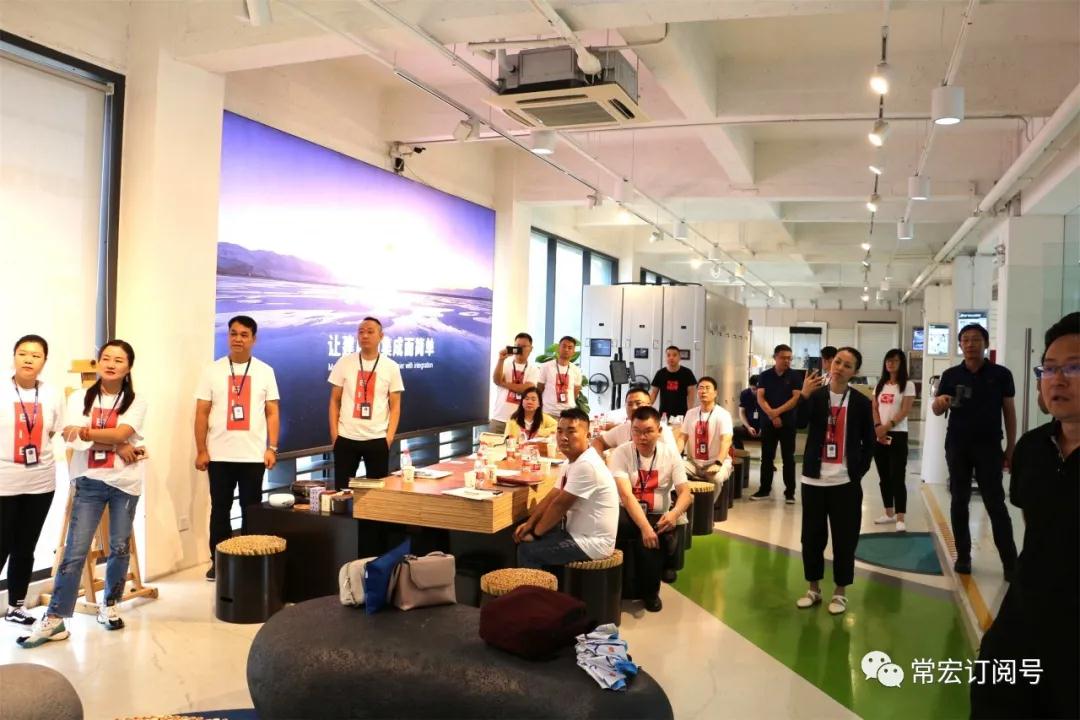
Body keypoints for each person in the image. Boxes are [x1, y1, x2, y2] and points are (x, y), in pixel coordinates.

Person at [972, 313, 1078, 719]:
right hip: (1025, 615)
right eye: (1049, 369)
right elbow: (1036, 527)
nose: (1057, 380)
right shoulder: (1033, 449)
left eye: (1074, 368)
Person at [18, 340, 148, 648]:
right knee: (75, 551)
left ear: (128, 367)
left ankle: (109, 604)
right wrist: (118, 445)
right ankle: (55, 619)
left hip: (125, 482)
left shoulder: (137, 401)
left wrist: (92, 433)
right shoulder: (78, 398)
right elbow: (71, 437)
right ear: (98, 362)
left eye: (118, 360)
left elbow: (117, 432)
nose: (111, 364)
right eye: (106, 358)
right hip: (89, 480)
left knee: (119, 547)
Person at [194, 315, 281, 581]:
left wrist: (272, 447)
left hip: (253, 455)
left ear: (254, 339)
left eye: (244, 335)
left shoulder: (265, 371)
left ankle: (249, 561)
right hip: (219, 454)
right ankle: (218, 562)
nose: (238, 339)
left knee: (250, 510)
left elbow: (272, 412)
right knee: (219, 510)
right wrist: (201, 450)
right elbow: (201, 412)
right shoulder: (212, 371)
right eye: (233, 333)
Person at [793, 347, 876, 616]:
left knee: (844, 539)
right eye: (837, 362)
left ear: (855, 372)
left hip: (845, 484)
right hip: (813, 481)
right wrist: (803, 395)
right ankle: (813, 588)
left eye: (847, 365)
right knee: (811, 538)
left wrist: (856, 473)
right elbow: (798, 423)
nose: (839, 368)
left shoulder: (861, 402)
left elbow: (869, 442)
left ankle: (840, 592)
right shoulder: (816, 396)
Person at [932, 323, 1017, 577]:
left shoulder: (1001, 374)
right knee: (959, 501)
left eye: (976, 339)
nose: (970, 344)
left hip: (989, 447)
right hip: (957, 445)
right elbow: (936, 410)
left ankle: (1011, 563)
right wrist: (940, 402)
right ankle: (964, 557)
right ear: (960, 344)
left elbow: (1009, 412)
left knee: (995, 503)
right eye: (966, 339)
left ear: (986, 343)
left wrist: (1011, 446)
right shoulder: (950, 375)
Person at [1, 335, 63, 625]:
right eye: (23, 353)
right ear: (13, 356)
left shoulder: (52, 394)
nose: (28, 359)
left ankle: (16, 606)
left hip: (40, 482)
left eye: (36, 355)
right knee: (1, 545)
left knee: (25, 547)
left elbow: (53, 431)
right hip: (4, 481)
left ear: (44, 361)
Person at [608, 406, 691, 612]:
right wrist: (645, 528)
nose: (641, 437)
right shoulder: (622, 453)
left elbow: (685, 493)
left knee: (654, 535)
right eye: (636, 431)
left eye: (648, 431)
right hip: (627, 512)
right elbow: (626, 495)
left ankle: (650, 593)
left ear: (659, 431)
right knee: (648, 534)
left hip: (658, 513)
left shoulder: (670, 454)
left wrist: (673, 514)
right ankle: (636, 586)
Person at [514, 409, 618, 569]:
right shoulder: (571, 461)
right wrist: (530, 524)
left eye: (571, 431)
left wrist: (535, 534)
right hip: (575, 533)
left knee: (528, 551)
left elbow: (560, 505)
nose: (563, 437)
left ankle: (538, 587)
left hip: (594, 542)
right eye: (560, 431)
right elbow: (552, 497)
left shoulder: (587, 465)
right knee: (533, 536)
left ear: (588, 435)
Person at [328, 318, 404, 491]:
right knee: (342, 492)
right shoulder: (344, 362)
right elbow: (334, 401)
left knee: (375, 495)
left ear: (381, 336)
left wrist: (388, 438)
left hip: (377, 439)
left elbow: (395, 407)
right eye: (361, 332)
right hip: (346, 438)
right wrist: (335, 435)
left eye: (370, 332)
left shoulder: (391, 367)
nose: (365, 336)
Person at [871, 349, 916, 532]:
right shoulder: (880, 385)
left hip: (897, 434)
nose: (890, 363)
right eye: (888, 360)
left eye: (894, 361)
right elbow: (874, 407)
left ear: (901, 363)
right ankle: (888, 513)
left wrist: (887, 426)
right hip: (879, 434)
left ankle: (900, 517)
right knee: (884, 477)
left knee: (897, 476)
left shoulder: (908, 385)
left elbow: (905, 410)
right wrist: (877, 427)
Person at [753, 344, 803, 502]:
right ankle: (764, 490)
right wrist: (772, 415)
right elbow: (760, 397)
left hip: (788, 423)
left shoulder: (795, 376)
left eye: (789, 358)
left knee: (788, 458)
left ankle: (790, 492)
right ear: (775, 357)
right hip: (768, 423)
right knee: (767, 457)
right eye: (783, 357)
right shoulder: (765, 375)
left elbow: (795, 398)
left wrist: (777, 412)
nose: (787, 361)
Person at [676, 377, 733, 507]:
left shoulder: (723, 415)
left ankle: (706, 510)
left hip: (716, 462)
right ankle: (682, 506)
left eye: (707, 388)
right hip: (693, 463)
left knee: (717, 478)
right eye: (701, 388)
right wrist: (674, 457)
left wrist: (718, 463)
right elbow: (682, 438)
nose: (703, 391)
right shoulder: (690, 413)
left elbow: (726, 441)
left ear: (715, 393)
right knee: (671, 470)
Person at [592, 385, 676, 455]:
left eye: (638, 403)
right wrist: (600, 459)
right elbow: (598, 441)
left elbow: (673, 459)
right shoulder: (623, 429)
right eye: (629, 404)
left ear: (649, 406)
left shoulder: (661, 429)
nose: (634, 408)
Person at [490, 333, 539, 435]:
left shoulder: (534, 369)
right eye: (517, 346)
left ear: (531, 349)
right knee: (492, 445)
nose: (520, 349)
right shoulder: (504, 363)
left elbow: (526, 389)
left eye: (524, 346)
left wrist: (503, 383)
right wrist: (501, 359)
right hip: (499, 418)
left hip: (519, 421)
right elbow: (496, 380)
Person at [536, 336, 582, 416]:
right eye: (564, 346)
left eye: (570, 347)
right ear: (558, 348)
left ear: (573, 352)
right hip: (548, 412)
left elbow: (575, 391)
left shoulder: (576, 370)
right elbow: (540, 388)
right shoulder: (545, 367)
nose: (566, 349)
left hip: (568, 413)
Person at [650, 346, 697, 418]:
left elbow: (692, 395)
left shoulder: (687, 373)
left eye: (674, 355)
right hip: (664, 414)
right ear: (666, 358)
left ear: (679, 357)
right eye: (668, 355)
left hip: (682, 413)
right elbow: (653, 392)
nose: (671, 358)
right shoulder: (660, 373)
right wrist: (647, 406)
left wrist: (690, 412)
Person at [734, 374, 762, 448]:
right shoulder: (745, 394)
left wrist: (763, 428)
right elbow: (741, 412)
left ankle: (767, 454)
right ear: (750, 386)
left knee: (773, 432)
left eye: (758, 389)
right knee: (735, 431)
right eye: (753, 389)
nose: (756, 392)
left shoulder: (766, 394)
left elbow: (769, 414)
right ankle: (741, 452)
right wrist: (748, 427)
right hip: (749, 426)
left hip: (763, 426)